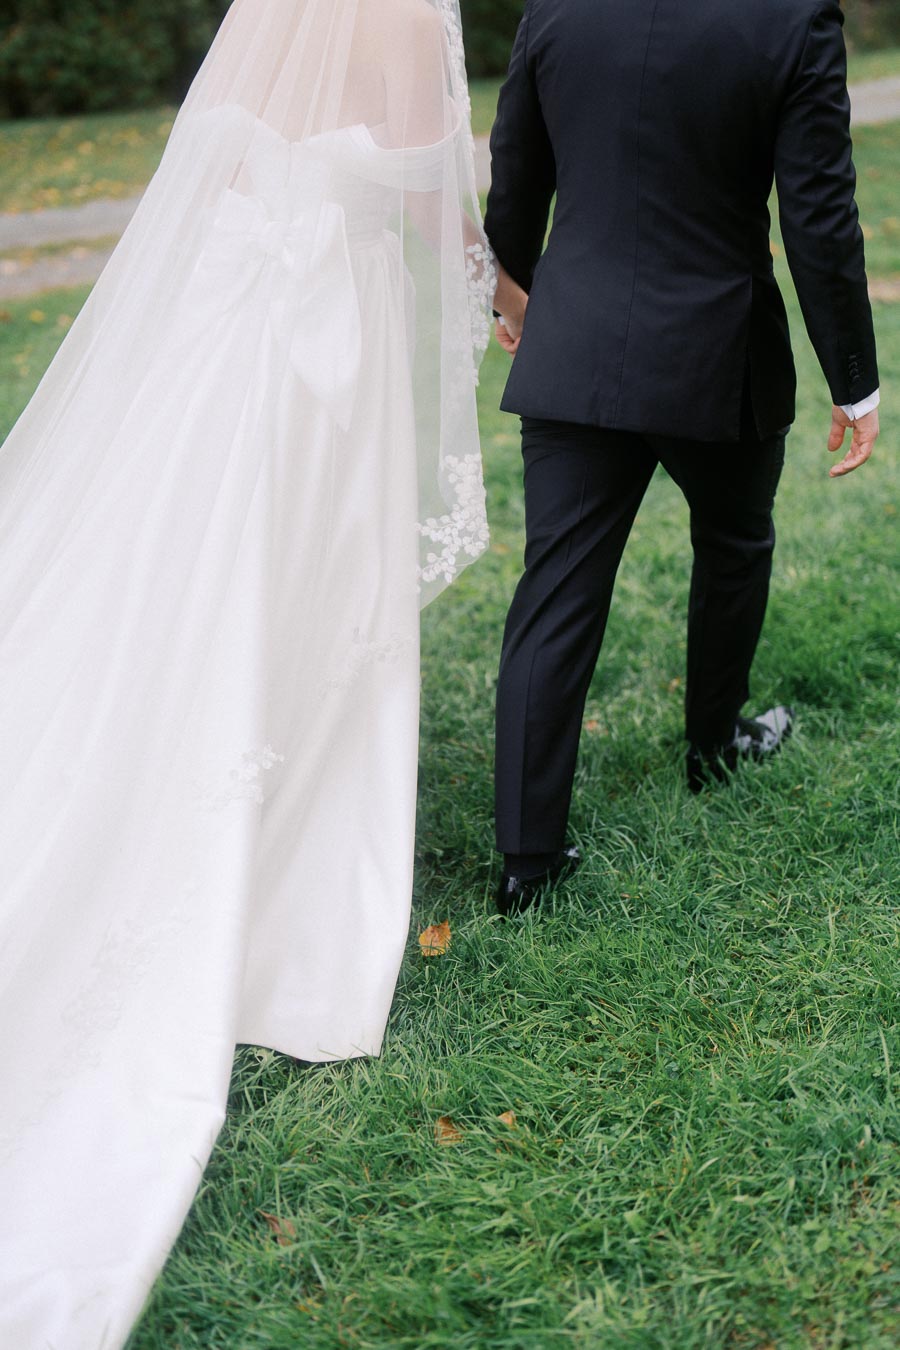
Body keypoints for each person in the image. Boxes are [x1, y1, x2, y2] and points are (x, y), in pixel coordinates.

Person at [0, 1, 527, 1343]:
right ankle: (280, 899)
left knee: (189, 586)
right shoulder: (406, 12)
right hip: (313, 355)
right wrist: (505, 288)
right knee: (300, 587)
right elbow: (426, 194)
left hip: (225, 332)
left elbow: (223, 156)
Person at [485, 0, 881, 916]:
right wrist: (853, 380)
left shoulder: (557, 9)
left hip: (574, 348)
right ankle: (713, 748)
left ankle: (526, 863)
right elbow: (819, 216)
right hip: (718, 348)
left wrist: (517, 297)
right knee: (735, 544)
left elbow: (517, 172)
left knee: (558, 585)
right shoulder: (791, 18)